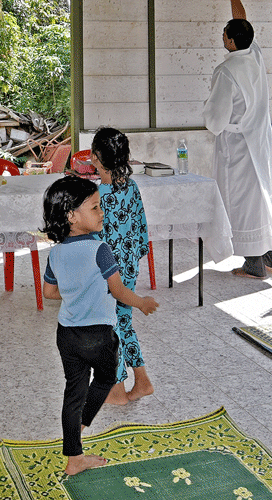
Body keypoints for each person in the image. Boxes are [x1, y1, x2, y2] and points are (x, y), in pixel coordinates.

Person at [41, 176, 159, 476]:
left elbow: (50, 293)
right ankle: (81, 424)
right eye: (95, 208)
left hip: (66, 334)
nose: (102, 212)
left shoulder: (55, 253)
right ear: (72, 216)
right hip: (98, 335)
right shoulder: (100, 249)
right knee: (106, 379)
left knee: (73, 392)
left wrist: (75, 288)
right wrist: (141, 302)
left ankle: (74, 457)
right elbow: (118, 291)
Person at [203, 0, 272, 278]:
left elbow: (215, 120)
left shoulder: (227, 72)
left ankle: (253, 263)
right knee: (264, 193)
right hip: (260, 138)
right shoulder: (254, 55)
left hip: (237, 145)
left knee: (243, 201)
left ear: (232, 43)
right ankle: (269, 255)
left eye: (224, 34)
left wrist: (208, 114)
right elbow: (242, 20)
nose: (222, 36)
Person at [89, 127, 154, 404]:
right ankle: (142, 380)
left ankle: (116, 390)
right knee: (123, 323)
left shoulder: (97, 197)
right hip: (127, 268)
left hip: (106, 274)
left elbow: (93, 238)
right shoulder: (132, 186)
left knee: (108, 328)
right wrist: (131, 262)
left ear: (94, 158)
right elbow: (141, 231)